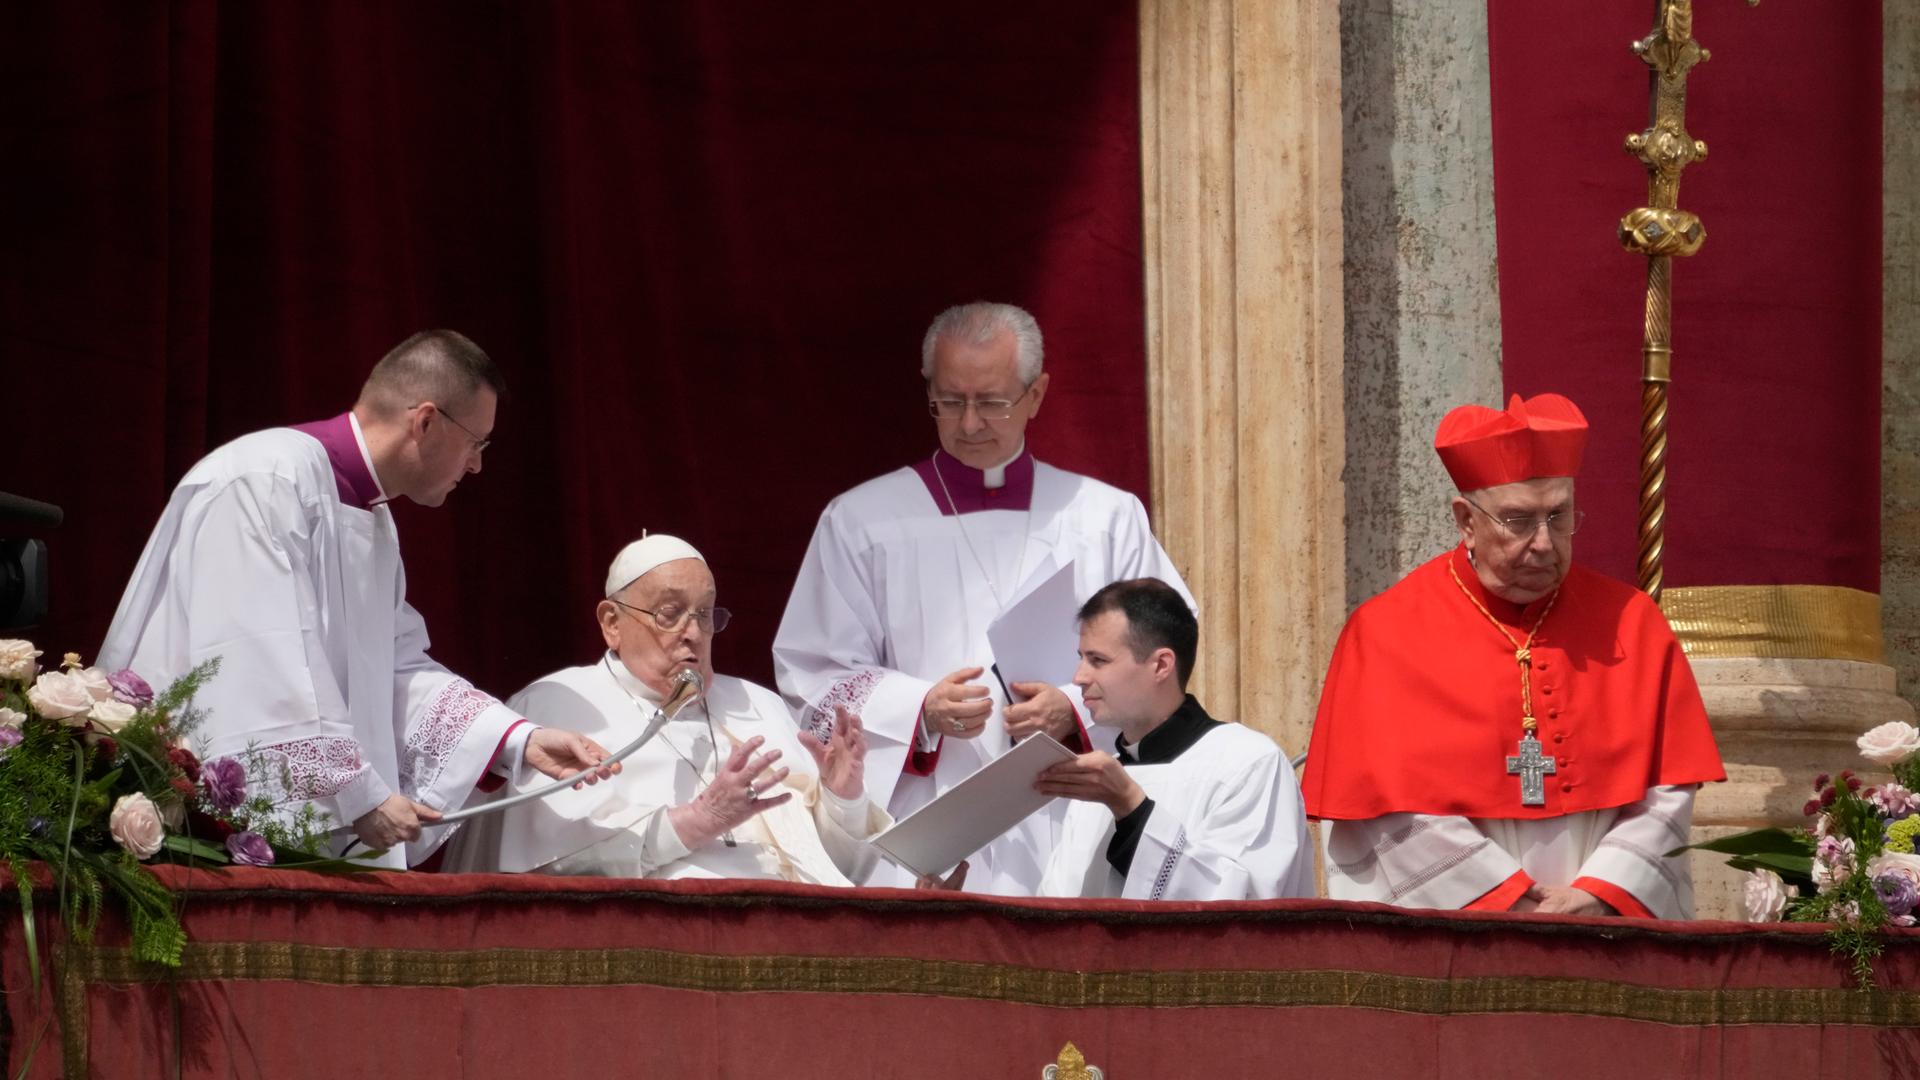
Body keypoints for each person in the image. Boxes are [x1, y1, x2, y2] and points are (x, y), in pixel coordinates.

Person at [98, 330, 615, 868]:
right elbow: (260, 659)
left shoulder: (374, 520)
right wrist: (357, 793)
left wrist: (515, 740)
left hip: (317, 840)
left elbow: (394, 668)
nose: (476, 465)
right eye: (476, 443)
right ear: (426, 422)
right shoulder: (265, 480)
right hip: (205, 836)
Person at [773, 301, 1194, 894]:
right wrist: (920, 707)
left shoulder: (1104, 517)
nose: (969, 424)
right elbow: (812, 673)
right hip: (931, 810)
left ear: (1036, 394)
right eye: (950, 401)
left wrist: (1074, 707)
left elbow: (1164, 648)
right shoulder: (862, 521)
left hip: (1070, 803)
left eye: (992, 402)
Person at [1302, 393, 1725, 918]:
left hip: (1605, 920)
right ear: (1466, 520)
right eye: (1519, 521)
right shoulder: (1383, 633)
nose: (1544, 543)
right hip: (1459, 928)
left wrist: (1601, 892)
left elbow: (1668, 789)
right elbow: (1382, 805)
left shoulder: (1632, 621)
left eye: (1559, 516)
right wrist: (1502, 898)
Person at [443, 535, 889, 884]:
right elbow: (551, 875)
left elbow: (840, 872)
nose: (693, 633)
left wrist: (843, 800)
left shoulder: (759, 706)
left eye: (705, 614)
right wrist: (696, 822)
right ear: (612, 623)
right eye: (670, 613)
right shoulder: (556, 705)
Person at [1030, 578, 1312, 900]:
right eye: (1081, 658)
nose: (1078, 677)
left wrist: (1131, 809)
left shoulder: (1248, 763)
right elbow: (1055, 905)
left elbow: (1238, 905)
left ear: (1161, 665)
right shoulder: (1094, 783)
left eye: (1098, 660)